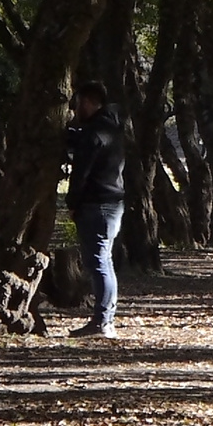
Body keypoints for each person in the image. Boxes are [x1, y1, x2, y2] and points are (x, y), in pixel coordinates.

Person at [66, 81, 125, 338]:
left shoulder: (93, 135)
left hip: (96, 204)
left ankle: (103, 321)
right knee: (105, 260)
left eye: (78, 102)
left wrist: (72, 203)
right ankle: (105, 318)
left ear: (89, 101)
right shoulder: (112, 130)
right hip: (113, 205)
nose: (76, 108)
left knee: (99, 262)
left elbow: (81, 174)